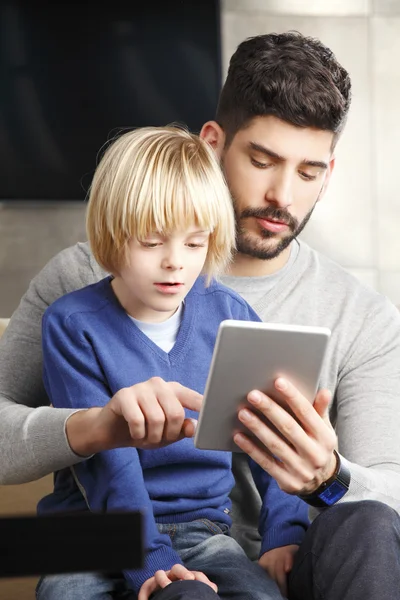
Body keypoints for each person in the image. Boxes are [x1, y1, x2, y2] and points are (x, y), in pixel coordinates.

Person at [0, 30, 399, 600]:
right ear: (212, 144)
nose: (282, 195)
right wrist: (89, 428)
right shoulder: (75, 284)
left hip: (252, 552)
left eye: (308, 173)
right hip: (99, 534)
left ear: (328, 173)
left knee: (367, 522)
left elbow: (391, 494)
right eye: (262, 161)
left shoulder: (359, 317)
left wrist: (327, 477)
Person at [35, 125, 306, 600]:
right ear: (112, 234)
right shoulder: (71, 324)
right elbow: (107, 466)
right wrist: (150, 559)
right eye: (151, 242)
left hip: (203, 530)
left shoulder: (233, 316)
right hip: (90, 532)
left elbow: (274, 437)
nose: (175, 263)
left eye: (195, 243)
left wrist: (284, 535)